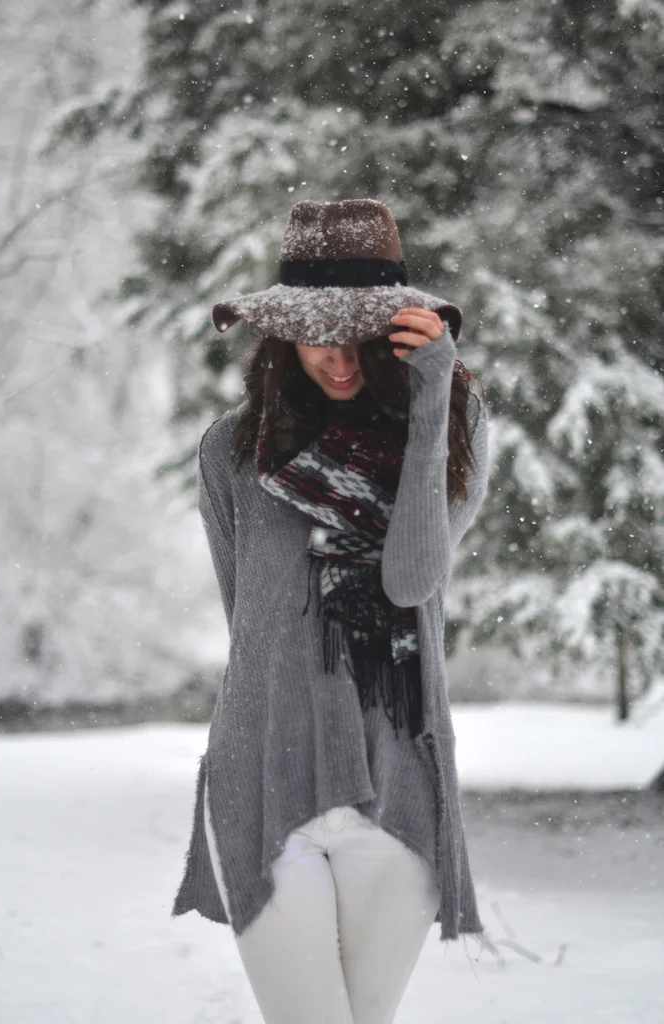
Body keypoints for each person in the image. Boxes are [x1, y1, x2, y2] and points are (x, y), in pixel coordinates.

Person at [171, 199, 490, 1024]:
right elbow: (251, 625)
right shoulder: (230, 448)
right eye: (317, 334)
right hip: (263, 776)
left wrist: (431, 401)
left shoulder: (450, 426)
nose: (339, 359)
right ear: (281, 335)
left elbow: (411, 581)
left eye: (360, 335)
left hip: (398, 776)